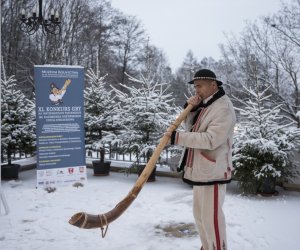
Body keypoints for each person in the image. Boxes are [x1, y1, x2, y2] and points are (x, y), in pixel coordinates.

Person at [167, 69, 236, 250]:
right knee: (199, 216)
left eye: (200, 86)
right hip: (201, 170)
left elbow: (211, 139)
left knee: (211, 219)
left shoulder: (223, 108)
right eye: (195, 86)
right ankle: (207, 246)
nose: (196, 90)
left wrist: (177, 138)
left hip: (213, 171)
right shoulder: (207, 105)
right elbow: (193, 129)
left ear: (213, 85)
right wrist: (191, 110)